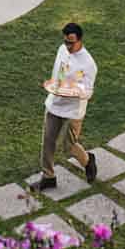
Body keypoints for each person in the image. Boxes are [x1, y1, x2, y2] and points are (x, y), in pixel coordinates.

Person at [36, 22, 98, 190]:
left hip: (73, 109)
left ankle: (87, 161)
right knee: (48, 141)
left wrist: (72, 92)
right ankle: (48, 176)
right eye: (66, 41)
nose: (68, 46)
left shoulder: (88, 64)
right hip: (55, 103)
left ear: (80, 40)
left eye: (71, 42)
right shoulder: (61, 49)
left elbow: (89, 92)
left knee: (69, 146)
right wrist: (53, 86)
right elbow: (57, 74)